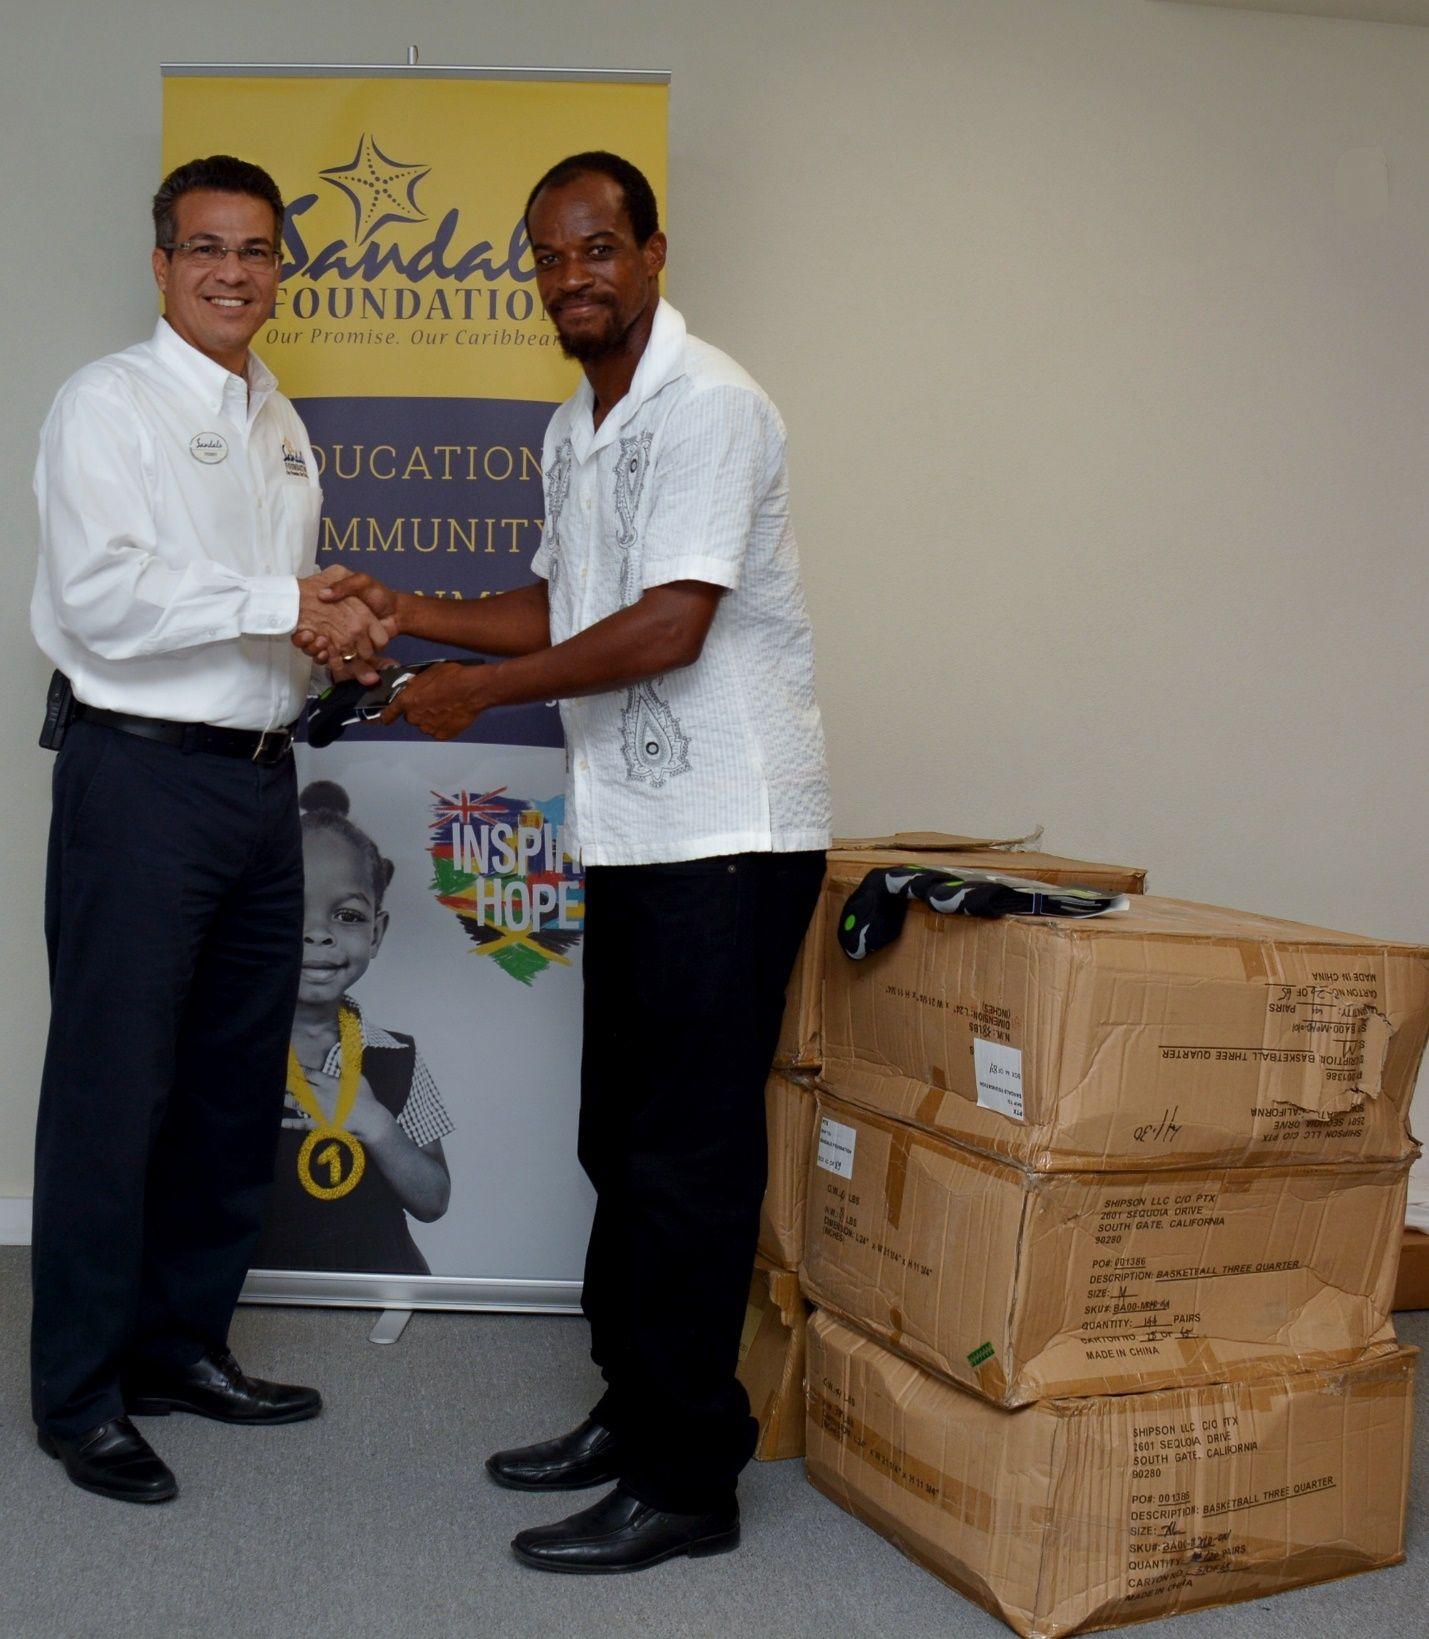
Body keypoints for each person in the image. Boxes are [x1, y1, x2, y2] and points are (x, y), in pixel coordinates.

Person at [303, 150, 832, 1572]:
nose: (572, 276)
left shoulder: (707, 402)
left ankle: (689, 1476)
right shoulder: (574, 424)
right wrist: (414, 611)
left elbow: (669, 625)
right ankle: (635, 1404)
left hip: (727, 833)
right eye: (549, 256)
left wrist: (477, 694)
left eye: (598, 247)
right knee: (621, 1141)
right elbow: (566, 602)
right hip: (638, 829)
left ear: (653, 253)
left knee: (688, 1164)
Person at [29, 154, 393, 1505]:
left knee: (231, 1085)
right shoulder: (106, 404)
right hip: (138, 781)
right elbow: (103, 597)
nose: (232, 272)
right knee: (112, 1091)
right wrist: (288, 602)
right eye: (205, 248)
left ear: (278, 266)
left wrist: (333, 636)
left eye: (255, 250)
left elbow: (266, 608)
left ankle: (180, 1345)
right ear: (161, 263)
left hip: (256, 783)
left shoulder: (278, 418)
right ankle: (79, 1395)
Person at [251, 779, 452, 1276]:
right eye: (291, 911)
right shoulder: (227, 1051)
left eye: (346, 915)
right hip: (260, 1296)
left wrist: (375, 1123)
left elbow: (433, 1200)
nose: (318, 934)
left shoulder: (397, 1056)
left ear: (376, 933)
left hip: (375, 1289)